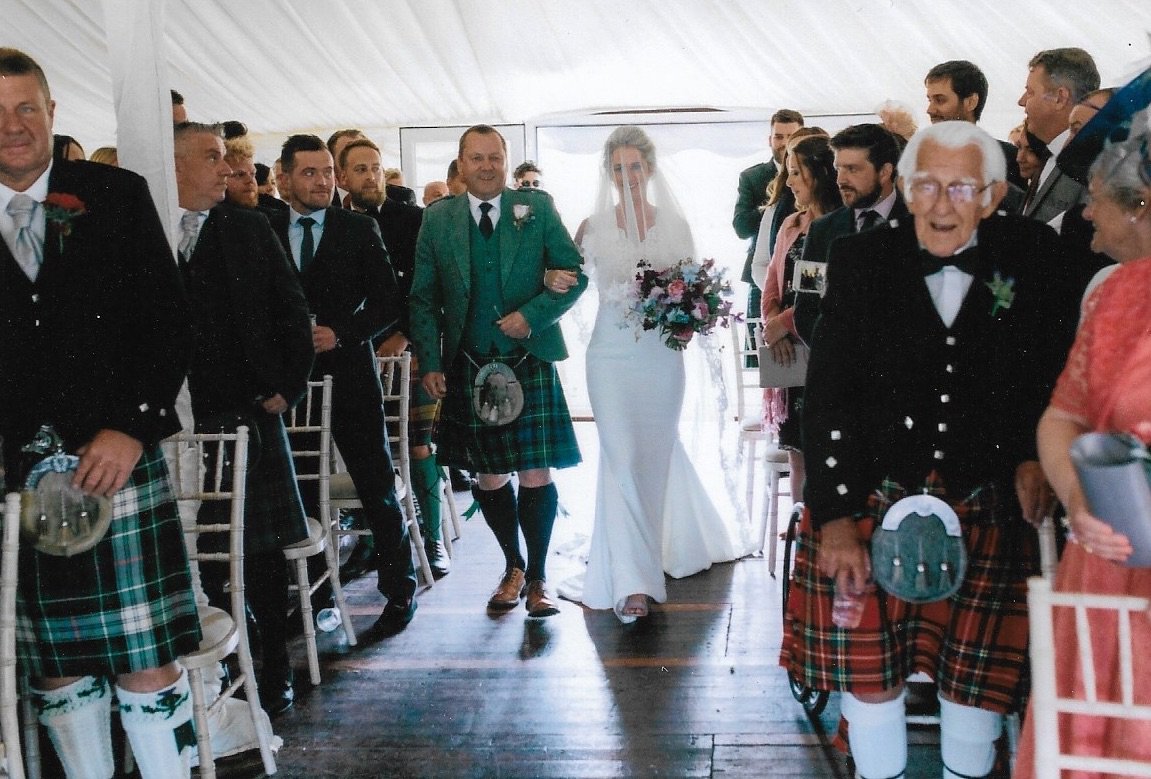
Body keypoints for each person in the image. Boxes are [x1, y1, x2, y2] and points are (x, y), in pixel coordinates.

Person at [781, 120, 1081, 779]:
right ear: (904, 190)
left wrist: (1033, 455)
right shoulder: (862, 260)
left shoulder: (1031, 253)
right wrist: (832, 518)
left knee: (978, 684)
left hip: (990, 495)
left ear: (992, 194)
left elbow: (1052, 373)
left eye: (959, 187)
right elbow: (828, 392)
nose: (940, 204)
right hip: (870, 492)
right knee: (871, 676)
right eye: (924, 185)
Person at [0, 48, 200, 776]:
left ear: (52, 113)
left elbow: (169, 322)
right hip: (13, 479)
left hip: (114, 462)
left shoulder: (114, 194)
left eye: (26, 107)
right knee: (54, 668)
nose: (12, 126)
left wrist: (132, 424)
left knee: (143, 663)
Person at [548, 126, 742, 622]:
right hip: (609, 357)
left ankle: (663, 546)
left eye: (635, 166)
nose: (627, 176)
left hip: (660, 358)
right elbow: (568, 281)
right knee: (621, 455)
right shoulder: (591, 227)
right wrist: (552, 277)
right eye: (618, 168)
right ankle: (634, 582)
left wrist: (689, 320)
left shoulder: (674, 224)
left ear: (650, 169)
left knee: (652, 456)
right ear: (608, 174)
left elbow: (695, 288)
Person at [1014, 112, 1151, 777]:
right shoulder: (1116, 293)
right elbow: (1059, 416)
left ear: (1140, 204)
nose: (1086, 219)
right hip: (1107, 564)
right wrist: (1077, 497)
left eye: (1095, 201)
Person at [409, 124, 587, 618]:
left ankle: (538, 578)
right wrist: (430, 361)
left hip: (527, 359)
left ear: (505, 162)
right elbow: (422, 297)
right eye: (476, 158)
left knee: (535, 471)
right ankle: (512, 566)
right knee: (489, 476)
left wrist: (531, 316)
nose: (486, 166)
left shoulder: (538, 207)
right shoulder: (438, 218)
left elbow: (575, 276)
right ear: (461, 163)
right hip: (468, 362)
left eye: (495, 158)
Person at [174, 121, 314, 716]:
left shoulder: (247, 225)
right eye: (210, 158)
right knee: (193, 551)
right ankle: (211, 673)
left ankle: (272, 668)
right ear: (173, 165)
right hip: (179, 417)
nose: (227, 169)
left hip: (246, 411)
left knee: (258, 555)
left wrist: (287, 384)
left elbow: (291, 306)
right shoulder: (147, 227)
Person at [270, 133, 418, 638]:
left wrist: (344, 333)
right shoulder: (263, 226)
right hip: (290, 384)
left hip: (350, 375)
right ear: (284, 177)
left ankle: (400, 591)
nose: (322, 182)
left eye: (327, 172)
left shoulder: (357, 229)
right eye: (309, 173)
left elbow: (389, 302)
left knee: (375, 485)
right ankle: (316, 598)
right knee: (304, 493)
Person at [760, 134, 843, 502]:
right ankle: (798, 525)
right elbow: (771, 284)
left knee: (823, 446)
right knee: (796, 450)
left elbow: (820, 291)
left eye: (796, 173)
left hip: (821, 344)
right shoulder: (791, 224)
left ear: (820, 175)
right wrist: (771, 325)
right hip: (788, 351)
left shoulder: (835, 228)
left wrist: (785, 324)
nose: (789, 181)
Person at [1017, 47, 1100, 223]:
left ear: (1060, 98)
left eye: (1030, 92)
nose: (1021, 101)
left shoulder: (1091, 169)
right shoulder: (1050, 155)